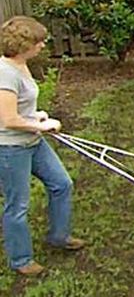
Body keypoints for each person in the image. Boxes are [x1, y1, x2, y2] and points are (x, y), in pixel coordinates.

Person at [0, 16, 85, 276]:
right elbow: (8, 119)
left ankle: (59, 236)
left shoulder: (22, 65)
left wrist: (37, 116)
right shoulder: (5, 74)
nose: (42, 46)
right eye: (39, 42)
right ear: (23, 44)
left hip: (32, 142)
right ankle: (21, 260)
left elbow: (22, 110)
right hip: (11, 148)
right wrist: (42, 126)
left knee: (61, 184)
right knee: (17, 205)